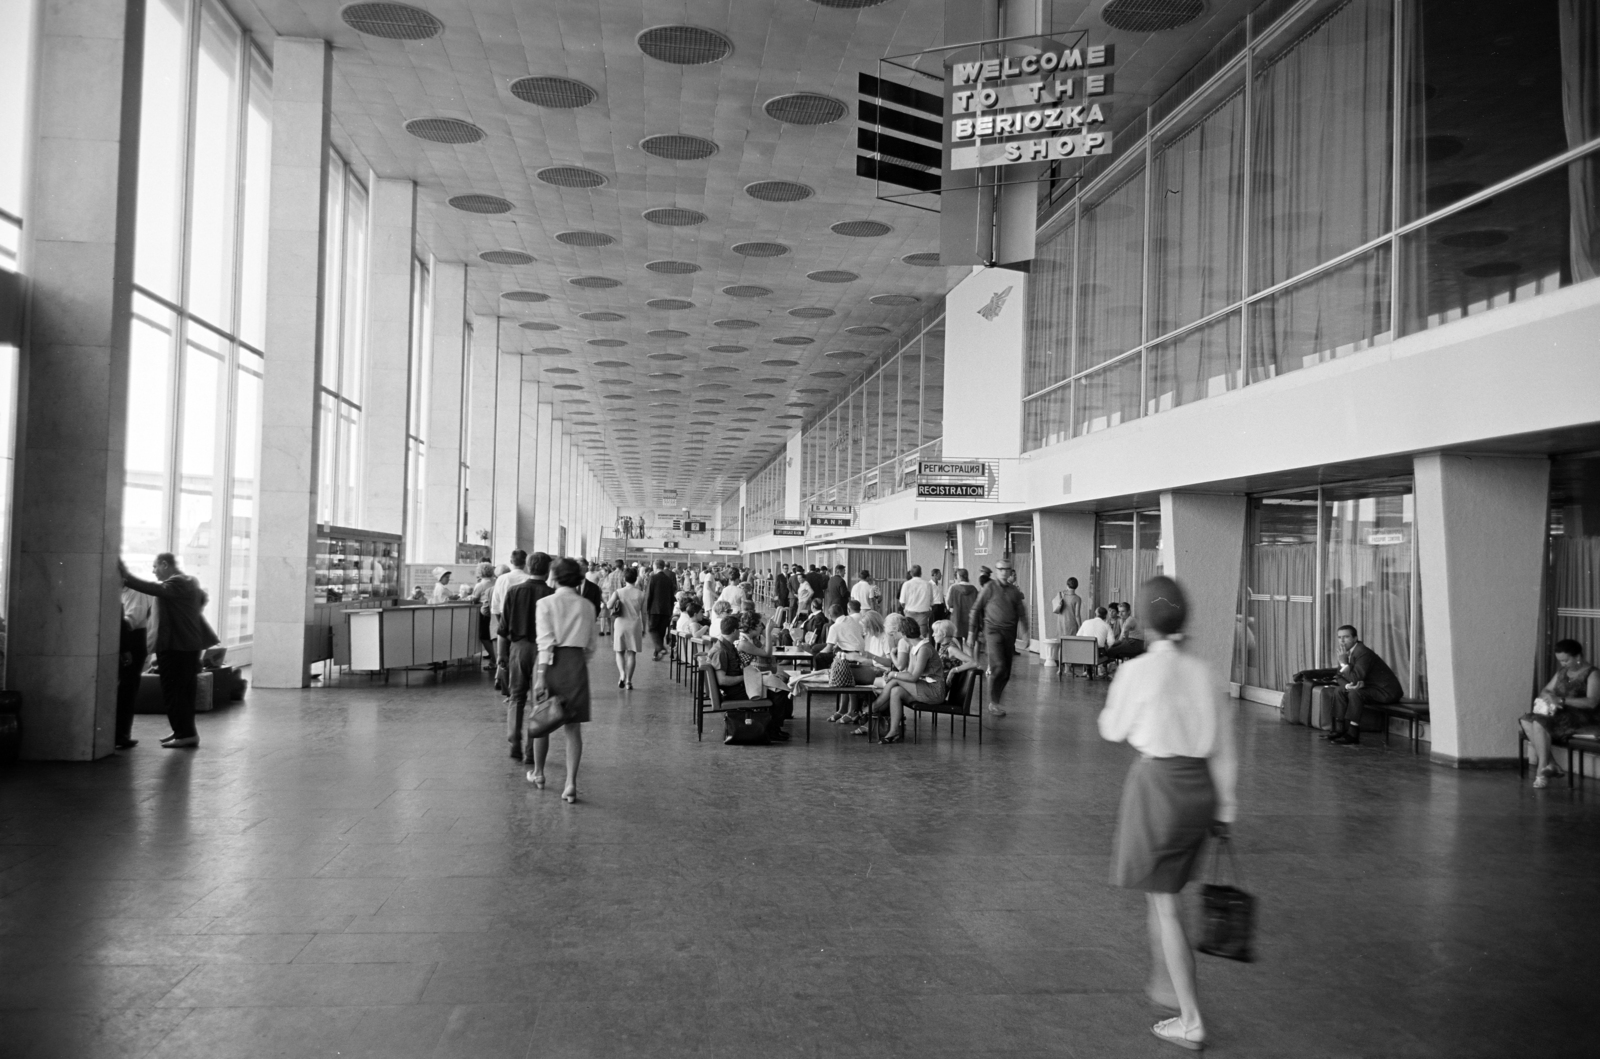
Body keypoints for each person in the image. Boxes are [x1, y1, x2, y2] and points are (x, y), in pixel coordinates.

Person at [1097, 576, 1238, 1053]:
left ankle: (1191, 1018)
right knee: (1165, 892)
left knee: (1164, 901)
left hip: (1158, 788)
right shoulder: (1203, 671)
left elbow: (1112, 729)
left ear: (1146, 621)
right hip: (1198, 789)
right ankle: (1162, 979)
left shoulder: (1136, 671)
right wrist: (1225, 807)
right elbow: (1224, 747)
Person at [118, 553, 219, 749]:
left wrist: (126, 576)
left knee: (175, 691)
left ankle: (185, 734)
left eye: (155, 567)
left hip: (176, 646)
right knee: (181, 691)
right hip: (184, 645)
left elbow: (153, 589)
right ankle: (183, 731)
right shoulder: (189, 583)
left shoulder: (178, 582)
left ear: (165, 564)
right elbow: (202, 598)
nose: (153, 571)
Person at [527, 558, 597, 802]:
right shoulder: (587, 606)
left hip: (550, 665)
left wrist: (540, 677)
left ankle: (538, 773)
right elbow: (591, 646)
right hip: (576, 665)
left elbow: (544, 642)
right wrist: (578, 663)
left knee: (543, 720)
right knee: (573, 728)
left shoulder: (545, 603)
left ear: (554, 577)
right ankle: (570, 784)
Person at [869, 619, 978, 744]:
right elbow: (909, 674)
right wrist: (894, 674)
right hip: (927, 687)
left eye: (896, 632)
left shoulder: (924, 649)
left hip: (935, 692)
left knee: (895, 681)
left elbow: (913, 677)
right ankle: (893, 731)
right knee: (896, 691)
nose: (894, 635)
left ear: (904, 634)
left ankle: (874, 708)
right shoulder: (916, 647)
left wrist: (893, 674)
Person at [1297, 625, 1405, 746]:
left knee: (1356, 693)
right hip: (1369, 687)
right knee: (1339, 690)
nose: (1342, 641)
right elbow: (1338, 676)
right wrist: (1348, 686)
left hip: (1386, 692)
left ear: (1355, 638)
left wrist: (1344, 663)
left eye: (1346, 637)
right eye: (1339, 637)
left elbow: (1354, 678)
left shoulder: (1363, 652)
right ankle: (1339, 729)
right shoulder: (1345, 652)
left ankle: (1353, 733)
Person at [1519, 638, 1599, 787]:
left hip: (1582, 716)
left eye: (1566, 660)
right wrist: (1549, 697)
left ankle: (1541, 769)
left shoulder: (1592, 673)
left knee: (1539, 722)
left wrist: (1561, 701)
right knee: (1526, 720)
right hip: (1561, 714)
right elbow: (1546, 690)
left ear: (1578, 657)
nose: (1563, 664)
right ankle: (1551, 764)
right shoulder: (1562, 672)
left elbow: (1592, 702)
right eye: (1560, 661)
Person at [501, 552, 553, 761]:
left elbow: (503, 628)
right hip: (543, 651)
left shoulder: (514, 592)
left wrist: (501, 656)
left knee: (516, 696)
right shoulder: (552, 594)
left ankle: (514, 738)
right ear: (548, 570)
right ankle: (532, 750)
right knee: (538, 700)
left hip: (519, 647)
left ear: (528, 567)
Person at [969, 558, 1028, 717]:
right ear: (996, 571)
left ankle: (996, 700)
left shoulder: (1014, 591)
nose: (1003, 572)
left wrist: (1026, 633)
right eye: (1000, 569)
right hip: (992, 630)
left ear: (1010, 572)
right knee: (999, 665)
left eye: (1006, 569)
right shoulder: (989, 588)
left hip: (1009, 632)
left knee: (1006, 671)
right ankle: (993, 702)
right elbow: (975, 609)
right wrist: (971, 632)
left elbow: (1021, 613)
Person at [115, 586, 154, 749]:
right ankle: (120, 734)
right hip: (129, 641)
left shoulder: (135, 593)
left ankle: (121, 734)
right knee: (126, 689)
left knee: (127, 689)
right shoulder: (123, 593)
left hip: (132, 643)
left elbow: (132, 621)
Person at [490, 550, 531, 692]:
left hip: (504, 620)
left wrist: (502, 624)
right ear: (525, 561)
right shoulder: (528, 579)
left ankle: (507, 687)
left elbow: (495, 606)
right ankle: (521, 686)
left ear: (511, 561)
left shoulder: (502, 579)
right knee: (520, 656)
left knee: (505, 655)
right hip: (524, 622)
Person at [610, 566, 645, 690]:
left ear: (624, 579)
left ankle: (622, 674)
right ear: (636, 579)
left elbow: (609, 605)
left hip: (620, 624)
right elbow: (644, 613)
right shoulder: (641, 594)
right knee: (632, 653)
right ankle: (629, 681)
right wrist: (644, 627)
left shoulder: (618, 592)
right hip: (635, 625)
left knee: (619, 651)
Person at [645, 559, 678, 661]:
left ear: (655, 567)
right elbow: (672, 596)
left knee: (652, 628)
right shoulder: (668, 580)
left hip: (655, 609)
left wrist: (646, 609)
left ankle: (660, 648)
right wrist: (671, 611)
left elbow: (649, 594)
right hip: (666, 610)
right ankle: (656, 653)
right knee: (661, 632)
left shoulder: (653, 578)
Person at [467, 562, 497, 669]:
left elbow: (474, 599)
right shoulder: (495, 582)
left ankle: (495, 659)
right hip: (495, 613)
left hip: (485, 613)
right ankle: (496, 659)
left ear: (479, 572)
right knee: (493, 637)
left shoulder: (480, 585)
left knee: (484, 637)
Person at [898, 564, 934, 633]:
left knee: (910, 633)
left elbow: (902, 602)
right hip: (923, 613)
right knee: (922, 634)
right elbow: (931, 600)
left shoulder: (906, 584)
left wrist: (905, 608)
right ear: (921, 573)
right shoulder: (928, 584)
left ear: (911, 573)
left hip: (910, 612)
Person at [946, 568, 978, 644]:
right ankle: (970, 655)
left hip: (957, 618)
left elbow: (950, 604)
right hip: (970, 619)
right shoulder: (974, 589)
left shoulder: (954, 588)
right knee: (970, 643)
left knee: (957, 641)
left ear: (959, 577)